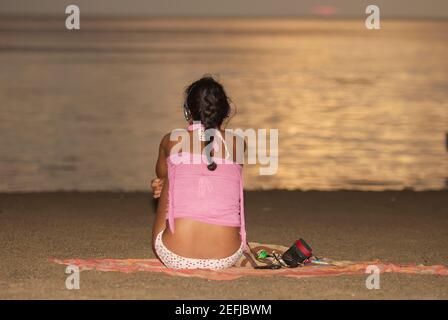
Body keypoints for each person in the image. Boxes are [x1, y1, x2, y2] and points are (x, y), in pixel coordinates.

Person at [150, 76, 246, 270]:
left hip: (174, 254)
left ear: (188, 111)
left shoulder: (171, 141)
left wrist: (164, 182)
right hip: (226, 257)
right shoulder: (237, 144)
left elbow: (161, 175)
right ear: (226, 111)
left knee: (172, 170)